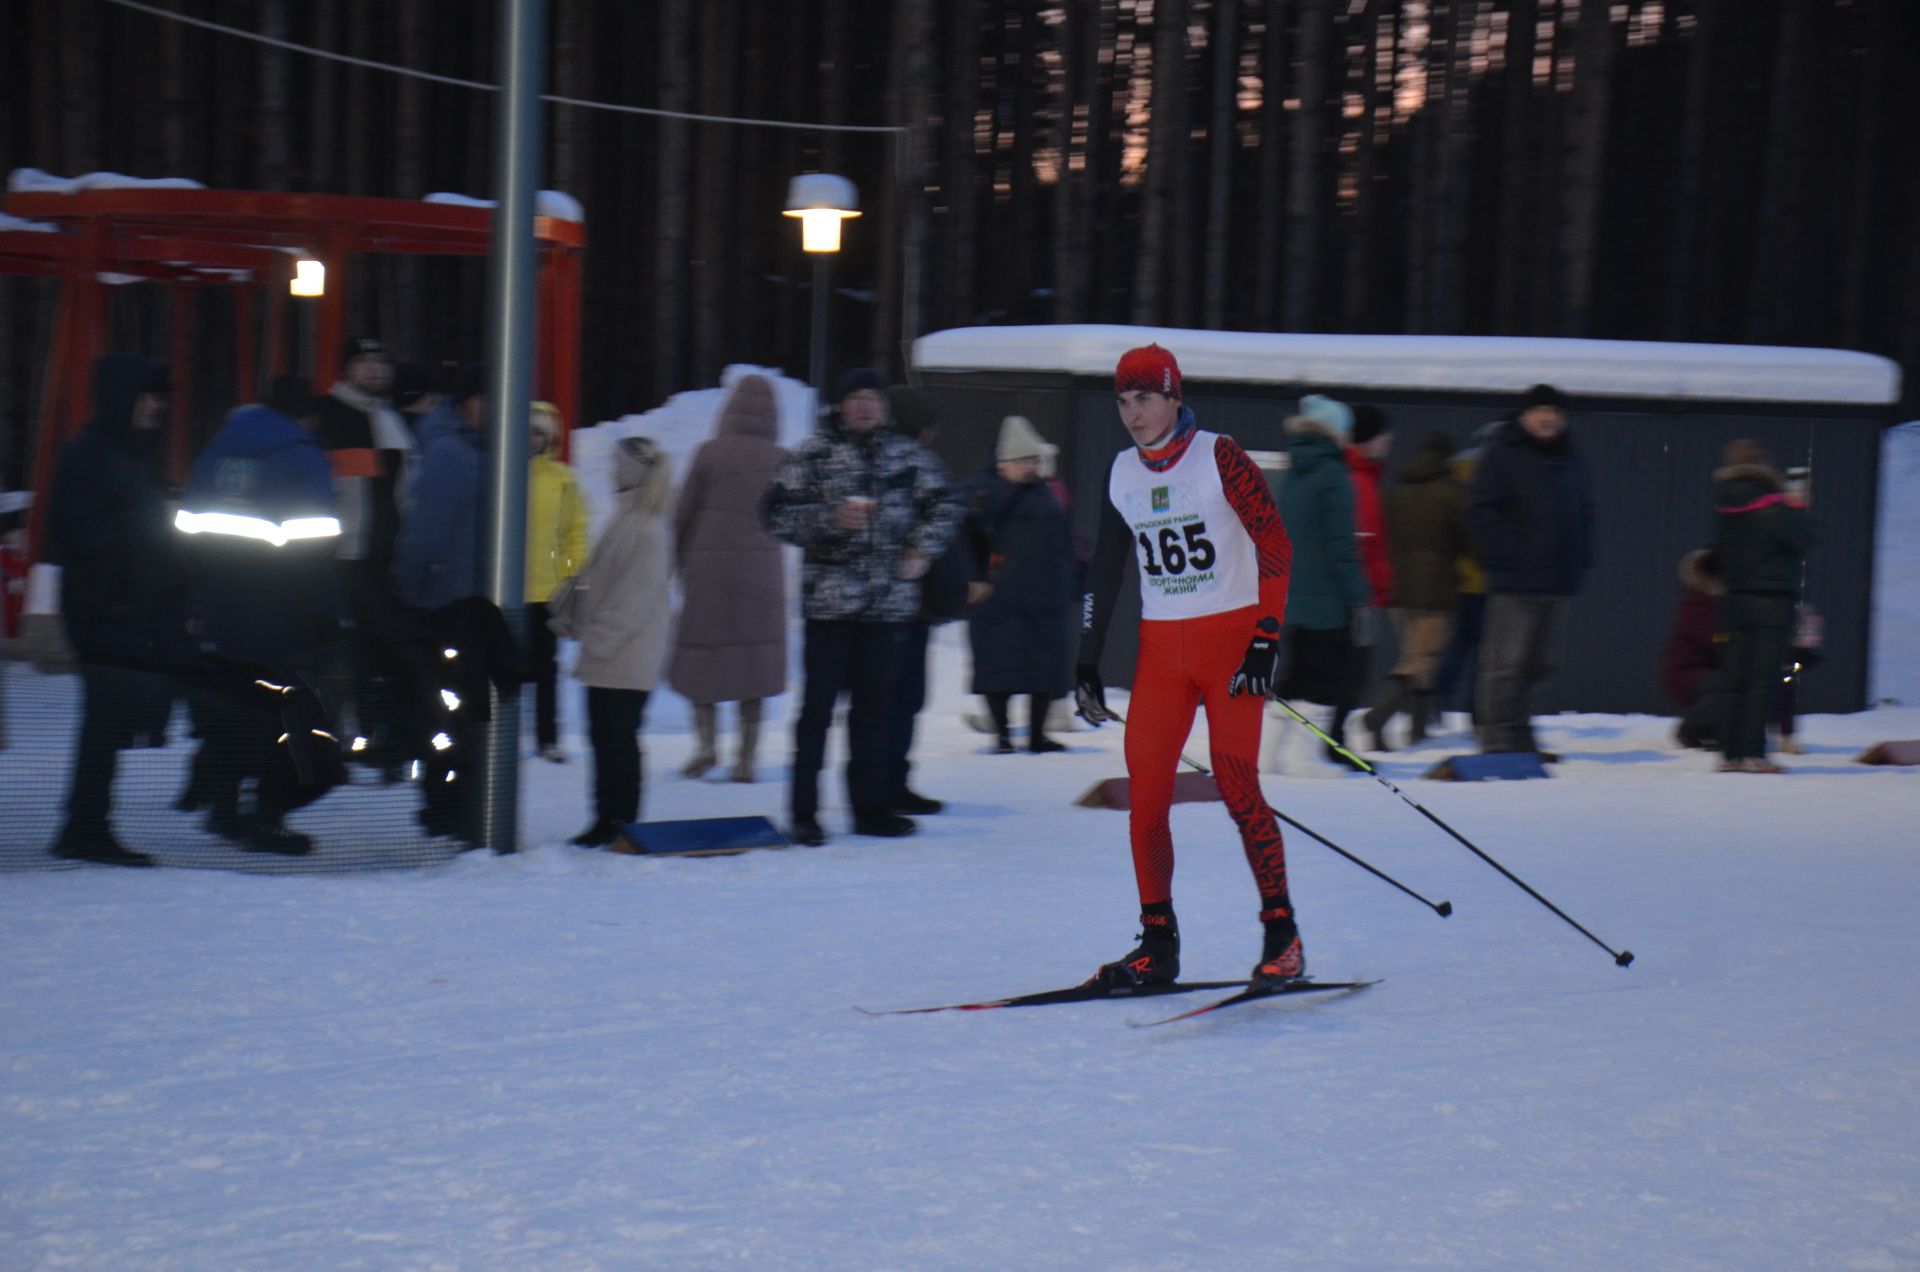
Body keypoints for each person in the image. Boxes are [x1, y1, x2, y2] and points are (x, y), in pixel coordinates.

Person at [1075, 344, 1305, 990]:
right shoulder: (1122, 472)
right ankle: (1157, 944)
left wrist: (1265, 636)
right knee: (1145, 798)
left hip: (1231, 646)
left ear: (1174, 397)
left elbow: (1275, 544)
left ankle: (1282, 935)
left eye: (1144, 398)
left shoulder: (1220, 456)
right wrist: (1087, 660)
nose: (1133, 414)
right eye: (1122, 401)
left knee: (1238, 787)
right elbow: (1106, 571)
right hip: (1162, 654)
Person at [761, 368, 961, 846]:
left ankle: (870, 808)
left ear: (885, 407)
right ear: (840, 406)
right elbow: (774, 514)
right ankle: (804, 812)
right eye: (855, 398)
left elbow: (946, 505)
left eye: (873, 397)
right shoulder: (813, 455)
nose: (865, 406)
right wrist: (827, 518)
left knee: (874, 713)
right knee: (816, 714)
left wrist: (921, 549)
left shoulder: (908, 456)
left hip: (889, 609)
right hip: (829, 608)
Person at [173, 374, 344, 854]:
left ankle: (223, 807)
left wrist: (198, 600)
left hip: (222, 604)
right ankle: (263, 815)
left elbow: (186, 528)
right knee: (282, 716)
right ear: (305, 414)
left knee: (238, 710)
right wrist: (325, 611)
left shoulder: (220, 448)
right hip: (279, 608)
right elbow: (315, 543)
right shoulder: (300, 453)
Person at [46, 354, 191, 866]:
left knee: (106, 723)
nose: (155, 406)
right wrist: (143, 532)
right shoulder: (96, 455)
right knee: (104, 723)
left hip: (120, 606)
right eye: (148, 396)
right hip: (105, 607)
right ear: (123, 397)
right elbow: (74, 531)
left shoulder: (120, 452)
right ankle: (85, 827)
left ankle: (85, 825)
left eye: (158, 398)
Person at [668, 375, 789, 785]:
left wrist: (677, 561)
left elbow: (684, 514)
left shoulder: (708, 453)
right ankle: (746, 757)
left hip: (708, 571)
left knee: (705, 656)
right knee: (753, 663)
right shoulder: (782, 459)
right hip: (762, 575)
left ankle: (705, 746)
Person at [1466, 383, 1595, 758]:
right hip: (1516, 579)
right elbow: (1479, 513)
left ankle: (1520, 739)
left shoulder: (1570, 456)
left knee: (1540, 666)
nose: (1547, 417)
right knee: (1505, 666)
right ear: (1524, 416)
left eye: (1553, 411)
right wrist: (1511, 551)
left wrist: (1582, 554)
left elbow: (1586, 512)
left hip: (1557, 580)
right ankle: (1497, 741)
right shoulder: (1502, 455)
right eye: (1539, 410)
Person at [569, 437, 675, 845]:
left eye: (617, 465)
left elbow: (634, 599)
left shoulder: (647, 528)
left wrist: (597, 638)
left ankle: (622, 821)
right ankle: (606, 818)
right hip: (613, 650)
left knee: (618, 738)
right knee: (605, 737)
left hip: (625, 652)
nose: (610, 472)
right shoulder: (629, 518)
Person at [964, 415, 1077, 755]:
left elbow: (1061, 538)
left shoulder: (1046, 492)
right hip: (999, 599)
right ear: (1004, 462)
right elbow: (968, 535)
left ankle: (1037, 735)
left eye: (1032, 460)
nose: (1028, 467)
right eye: (1021, 460)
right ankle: (1002, 735)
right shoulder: (984, 491)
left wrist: (1069, 577)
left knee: (1044, 670)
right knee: (998, 671)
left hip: (1043, 599)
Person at [1272, 394, 1372, 768]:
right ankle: (1311, 761)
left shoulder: (1295, 468)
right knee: (1327, 684)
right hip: (1329, 604)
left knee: (1296, 679)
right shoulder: (1333, 474)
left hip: (1296, 598)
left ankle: (1270, 758)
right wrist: (1358, 598)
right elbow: (1341, 545)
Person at [881, 385, 965, 813]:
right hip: (896, 605)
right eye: (928, 426)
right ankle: (886, 786)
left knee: (905, 698)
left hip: (914, 605)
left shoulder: (913, 464)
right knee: (894, 699)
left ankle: (894, 781)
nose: (933, 435)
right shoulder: (900, 465)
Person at [1710, 438, 1817, 773]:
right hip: (1772, 602)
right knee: (1761, 680)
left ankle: (1729, 754)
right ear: (1763, 465)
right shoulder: (1774, 501)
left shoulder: (1724, 503)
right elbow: (1802, 540)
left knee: (1734, 678)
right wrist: (1799, 506)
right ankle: (1754, 754)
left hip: (1735, 599)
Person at [1362, 430, 1469, 751]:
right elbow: (1468, 540)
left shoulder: (1395, 491)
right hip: (1435, 592)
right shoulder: (1452, 493)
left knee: (1422, 660)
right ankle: (1376, 718)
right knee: (1418, 661)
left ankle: (1417, 731)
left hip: (1399, 591)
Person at [392, 365, 489, 610]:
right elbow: (427, 529)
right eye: (484, 400)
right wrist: (408, 586)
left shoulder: (492, 449)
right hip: (449, 595)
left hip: (474, 590)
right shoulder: (449, 451)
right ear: (464, 403)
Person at [524, 401, 588, 763]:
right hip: (504, 592)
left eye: (539, 433)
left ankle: (548, 737)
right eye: (528, 431)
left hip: (546, 592)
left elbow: (575, 532)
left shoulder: (563, 480)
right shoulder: (501, 472)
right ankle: (493, 734)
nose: (533, 439)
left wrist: (571, 574)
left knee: (545, 669)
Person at [1662, 548, 1725, 751]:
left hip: (1703, 673)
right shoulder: (1697, 605)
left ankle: (1716, 731)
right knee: (1726, 682)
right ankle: (1690, 730)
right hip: (1685, 674)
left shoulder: (1715, 604)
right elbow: (1714, 638)